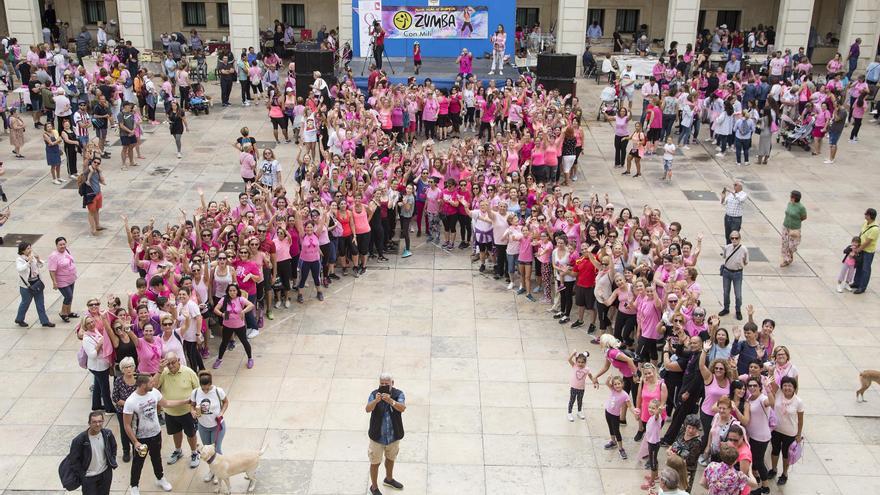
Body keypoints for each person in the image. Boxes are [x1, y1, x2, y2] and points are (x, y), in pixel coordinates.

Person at [122, 374, 189, 494]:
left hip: (156, 434)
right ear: (143, 385)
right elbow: (126, 425)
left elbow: (166, 403)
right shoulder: (131, 401)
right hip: (140, 437)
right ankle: (134, 485)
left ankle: (160, 478)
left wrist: (185, 401)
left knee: (157, 458)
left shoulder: (154, 393)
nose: (154, 384)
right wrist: (135, 442)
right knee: (138, 463)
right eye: (151, 383)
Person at [155, 351, 201, 468]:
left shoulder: (189, 372)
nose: (171, 366)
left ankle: (194, 452)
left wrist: (196, 408)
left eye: (173, 363)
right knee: (176, 433)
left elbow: (198, 391)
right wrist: (159, 371)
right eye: (168, 364)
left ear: (179, 360)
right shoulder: (164, 373)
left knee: (191, 434)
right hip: (170, 412)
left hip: (187, 412)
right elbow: (153, 387)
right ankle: (178, 450)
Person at [366, 372, 406, 495]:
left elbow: (402, 408)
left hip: (393, 436)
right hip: (377, 437)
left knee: (390, 459)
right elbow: (368, 409)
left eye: (386, 384)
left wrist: (390, 401)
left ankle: (389, 479)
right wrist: (376, 401)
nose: (383, 385)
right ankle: (374, 487)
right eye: (381, 383)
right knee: (375, 462)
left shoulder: (398, 394)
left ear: (392, 384)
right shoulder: (374, 394)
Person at [64, 411, 118, 495]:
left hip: (105, 474)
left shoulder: (107, 434)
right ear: (89, 423)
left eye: (100, 421)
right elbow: (74, 460)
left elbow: (113, 447)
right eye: (94, 422)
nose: (97, 424)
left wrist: (112, 460)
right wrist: (82, 475)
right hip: (89, 477)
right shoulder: (79, 440)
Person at [190, 370, 228, 481]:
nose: (205, 391)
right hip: (203, 426)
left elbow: (226, 402)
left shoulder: (218, 391)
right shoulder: (195, 392)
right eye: (203, 388)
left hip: (217, 426)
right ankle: (212, 471)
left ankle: (219, 472)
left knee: (216, 450)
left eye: (207, 388)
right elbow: (191, 405)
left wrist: (221, 413)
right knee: (207, 450)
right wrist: (192, 411)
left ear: (211, 384)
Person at [767, 376, 804, 486]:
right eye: (785, 385)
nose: (787, 388)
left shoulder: (798, 402)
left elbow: (800, 420)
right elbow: (771, 382)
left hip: (790, 432)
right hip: (776, 429)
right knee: (775, 450)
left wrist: (798, 434)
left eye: (790, 386)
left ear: (794, 388)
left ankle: (784, 474)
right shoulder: (778, 393)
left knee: (786, 454)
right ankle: (773, 470)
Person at [15, 241, 55, 327]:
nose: (30, 250)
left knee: (40, 303)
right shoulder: (20, 260)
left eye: (30, 248)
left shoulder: (32, 257)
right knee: (25, 303)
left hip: (37, 282)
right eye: (28, 248)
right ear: (22, 251)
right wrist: (28, 262)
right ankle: (19, 319)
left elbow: (40, 266)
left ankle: (44, 321)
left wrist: (38, 259)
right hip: (26, 286)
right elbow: (20, 269)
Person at [111, 357, 138, 463]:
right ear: (122, 369)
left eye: (131, 366)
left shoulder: (138, 378)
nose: (129, 369)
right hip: (123, 410)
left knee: (137, 429)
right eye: (126, 367)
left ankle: (137, 448)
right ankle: (126, 451)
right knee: (124, 430)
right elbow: (115, 398)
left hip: (137, 410)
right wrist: (129, 404)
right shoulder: (119, 381)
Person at [47, 236, 78, 322]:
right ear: (56, 245)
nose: (62, 246)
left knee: (70, 296)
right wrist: (54, 282)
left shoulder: (66, 251)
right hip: (62, 281)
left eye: (64, 244)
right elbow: (52, 270)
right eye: (60, 245)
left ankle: (68, 312)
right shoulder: (53, 256)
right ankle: (63, 313)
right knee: (68, 296)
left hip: (71, 278)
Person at [719, 230, 748, 320]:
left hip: (737, 273)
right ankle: (726, 308)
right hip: (727, 272)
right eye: (732, 238)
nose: (734, 240)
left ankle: (738, 310)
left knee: (738, 294)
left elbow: (746, 262)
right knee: (726, 292)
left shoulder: (743, 249)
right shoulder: (727, 247)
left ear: (740, 238)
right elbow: (724, 257)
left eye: (736, 238)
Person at [852, 207, 878, 294]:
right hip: (861, 249)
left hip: (868, 251)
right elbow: (861, 233)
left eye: (866, 214)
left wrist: (858, 250)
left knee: (865, 269)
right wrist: (857, 243)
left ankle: (862, 287)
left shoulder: (875, 229)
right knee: (858, 266)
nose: (864, 215)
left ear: (870, 216)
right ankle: (856, 283)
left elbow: (867, 242)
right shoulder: (865, 223)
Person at [566, 350, 598, 421]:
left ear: (585, 362)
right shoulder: (574, 366)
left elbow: (590, 376)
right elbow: (569, 359)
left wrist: (594, 382)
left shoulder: (587, 369)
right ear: (576, 361)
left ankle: (579, 412)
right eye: (579, 362)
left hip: (581, 388)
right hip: (574, 387)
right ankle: (569, 413)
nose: (580, 364)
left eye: (582, 362)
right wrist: (573, 354)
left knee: (580, 400)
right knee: (572, 400)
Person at [780, 190, 807, 267]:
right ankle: (786, 260)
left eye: (791, 196)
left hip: (795, 228)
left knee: (792, 245)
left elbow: (804, 217)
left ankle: (790, 254)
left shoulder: (801, 207)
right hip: (786, 226)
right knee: (785, 243)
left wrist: (796, 221)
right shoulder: (789, 204)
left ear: (794, 198)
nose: (790, 198)